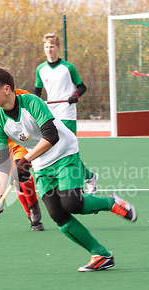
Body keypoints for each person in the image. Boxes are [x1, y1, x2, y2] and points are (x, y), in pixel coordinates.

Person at [0, 67, 137, 272]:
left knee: (72, 203)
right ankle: (101, 254)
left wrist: (25, 160)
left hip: (64, 152)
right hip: (42, 164)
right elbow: (2, 163)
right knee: (58, 214)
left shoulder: (31, 103)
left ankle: (111, 202)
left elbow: (51, 136)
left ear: (6, 89)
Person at [34, 33, 98, 194]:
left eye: (52, 47)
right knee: (53, 149)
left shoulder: (68, 68)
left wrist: (75, 96)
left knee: (68, 148)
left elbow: (82, 87)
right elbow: (37, 92)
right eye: (46, 47)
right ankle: (89, 177)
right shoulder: (40, 69)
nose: (49, 50)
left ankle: (80, 183)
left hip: (66, 113)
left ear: (58, 48)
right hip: (50, 113)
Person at [0, 89, 44, 231]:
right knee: (17, 182)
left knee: (21, 173)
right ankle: (30, 215)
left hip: (25, 143)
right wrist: (3, 126)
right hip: (7, 144)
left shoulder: (25, 96)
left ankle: (34, 206)